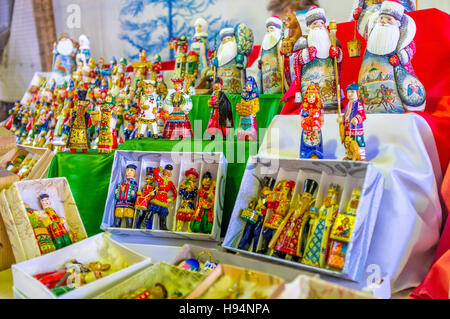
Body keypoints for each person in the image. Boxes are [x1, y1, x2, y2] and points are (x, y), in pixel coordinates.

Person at [357, 0, 425, 113]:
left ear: (397, 23)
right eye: (382, 18)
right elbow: (362, 27)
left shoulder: (401, 37)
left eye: (389, 19)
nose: (384, 21)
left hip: (394, 72)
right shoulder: (373, 34)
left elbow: (410, 48)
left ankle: (396, 107)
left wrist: (400, 57)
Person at [143, 165, 177, 231]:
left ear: (170, 173)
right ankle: (145, 222)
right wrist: (159, 169)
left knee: (163, 213)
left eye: (169, 171)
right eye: (166, 171)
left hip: (164, 199)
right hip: (158, 197)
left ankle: (163, 227)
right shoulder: (160, 179)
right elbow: (154, 172)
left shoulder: (170, 183)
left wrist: (171, 198)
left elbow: (175, 192)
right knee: (152, 209)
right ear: (164, 171)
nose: (167, 172)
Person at [258, 16, 284, 94]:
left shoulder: (280, 41)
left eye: (271, 28)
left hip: (276, 71)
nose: (269, 30)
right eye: (268, 29)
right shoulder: (264, 44)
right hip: (265, 72)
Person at [113, 164, 138, 228]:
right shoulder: (123, 181)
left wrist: (133, 193)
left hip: (129, 203)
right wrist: (117, 191)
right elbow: (120, 188)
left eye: (131, 170)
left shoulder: (134, 183)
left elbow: (135, 190)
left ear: (134, 173)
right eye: (127, 170)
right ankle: (116, 227)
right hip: (120, 202)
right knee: (118, 215)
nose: (129, 172)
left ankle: (129, 227)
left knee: (128, 216)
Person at [236, 76, 260, 141]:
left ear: (253, 86)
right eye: (247, 86)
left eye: (250, 86)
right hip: (243, 116)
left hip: (251, 116)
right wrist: (242, 108)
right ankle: (242, 137)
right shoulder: (244, 96)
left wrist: (251, 110)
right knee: (242, 127)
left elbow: (257, 107)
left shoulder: (255, 97)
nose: (248, 87)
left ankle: (251, 136)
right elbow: (241, 104)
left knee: (251, 128)